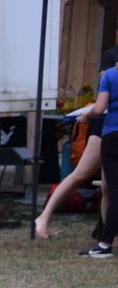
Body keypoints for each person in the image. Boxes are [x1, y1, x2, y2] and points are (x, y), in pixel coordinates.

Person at [35, 46, 118, 241]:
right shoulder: (112, 57)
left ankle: (110, 239)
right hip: (105, 124)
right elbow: (104, 89)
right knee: (82, 174)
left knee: (108, 187)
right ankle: (43, 217)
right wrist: (89, 114)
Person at [82, 51, 118, 258]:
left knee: (114, 192)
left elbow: (99, 108)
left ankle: (105, 245)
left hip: (112, 136)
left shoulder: (110, 76)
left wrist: (85, 115)